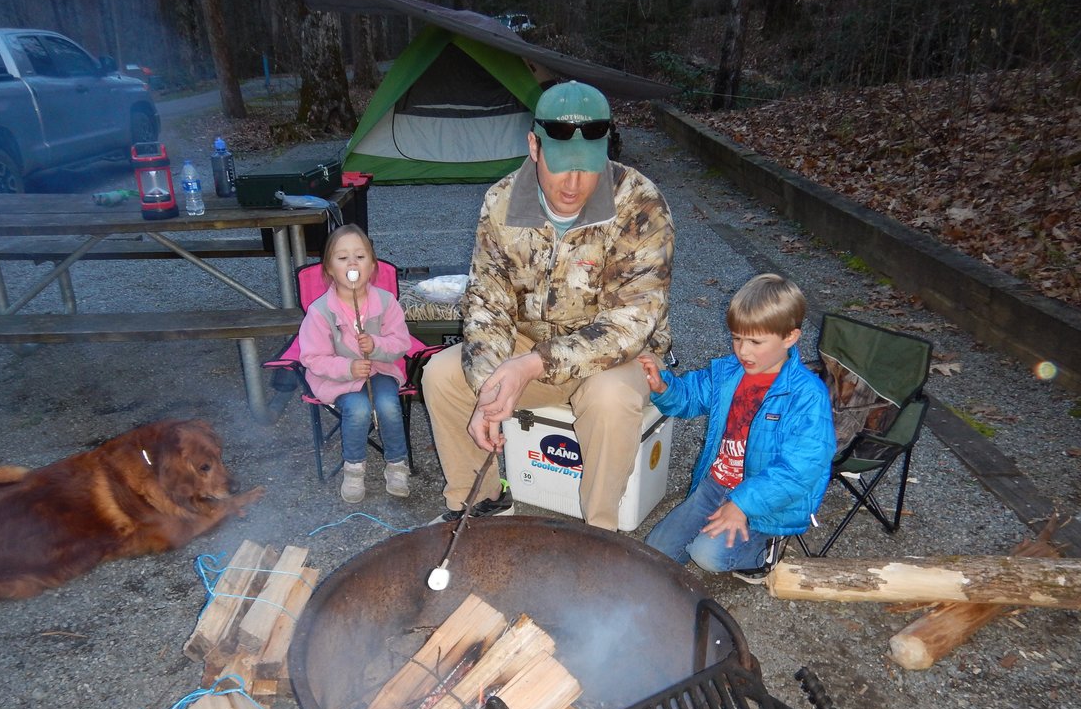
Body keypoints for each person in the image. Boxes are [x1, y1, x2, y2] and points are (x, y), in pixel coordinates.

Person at [422, 80, 674, 529]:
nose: (574, 183)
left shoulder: (639, 202)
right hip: (530, 344)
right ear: (534, 146)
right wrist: (488, 390)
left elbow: (631, 323)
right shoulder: (501, 202)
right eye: (561, 166)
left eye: (587, 166)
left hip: (616, 356)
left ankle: (599, 531)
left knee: (610, 399)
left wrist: (530, 367)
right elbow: (487, 304)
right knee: (442, 375)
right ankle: (480, 504)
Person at [639, 274, 835, 578]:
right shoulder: (730, 372)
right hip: (715, 485)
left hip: (764, 503)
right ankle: (717, 527)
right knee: (653, 551)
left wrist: (743, 504)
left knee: (707, 555)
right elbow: (692, 396)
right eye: (737, 338)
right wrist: (664, 389)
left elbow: (800, 470)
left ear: (790, 338)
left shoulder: (807, 395)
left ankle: (762, 555)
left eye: (756, 341)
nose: (743, 351)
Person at [296, 225, 413, 503]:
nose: (352, 263)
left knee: (387, 403)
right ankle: (354, 468)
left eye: (360, 257)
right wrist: (347, 368)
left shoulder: (386, 302)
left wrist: (377, 345)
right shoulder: (320, 311)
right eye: (342, 257)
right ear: (329, 269)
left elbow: (401, 342)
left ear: (372, 266)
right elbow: (312, 358)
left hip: (380, 370)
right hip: (338, 379)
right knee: (359, 408)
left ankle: (397, 463)